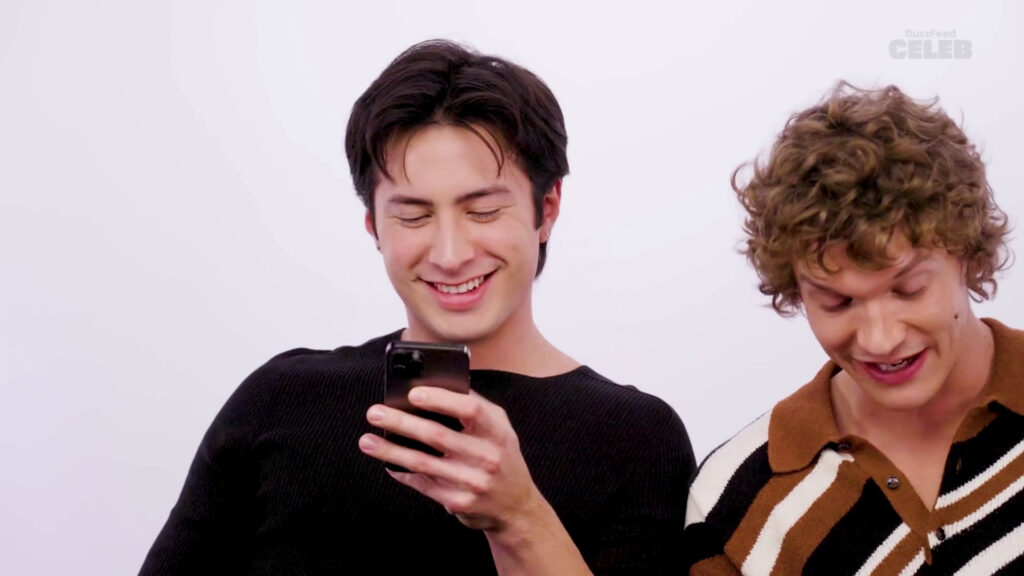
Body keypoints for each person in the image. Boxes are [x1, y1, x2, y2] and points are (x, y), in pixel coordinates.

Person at [140, 39, 695, 575]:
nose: (450, 255)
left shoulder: (637, 439)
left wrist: (520, 517)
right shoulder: (280, 399)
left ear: (546, 209)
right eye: (413, 216)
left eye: (482, 211)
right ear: (373, 227)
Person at [685, 83, 1023, 574]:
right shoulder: (733, 503)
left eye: (908, 290)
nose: (880, 339)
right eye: (837, 302)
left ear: (968, 254)